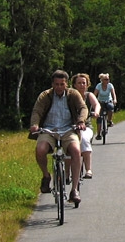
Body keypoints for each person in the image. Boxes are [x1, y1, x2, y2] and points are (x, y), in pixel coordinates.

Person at [29, 69, 87, 207]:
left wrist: (80, 121)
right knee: (40, 149)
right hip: (49, 130)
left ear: (67, 84)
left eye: (62, 84)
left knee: (75, 151)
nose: (59, 87)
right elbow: (37, 111)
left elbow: (83, 108)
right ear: (52, 84)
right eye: (57, 84)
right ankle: (46, 176)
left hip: (68, 129)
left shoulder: (73, 94)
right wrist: (35, 125)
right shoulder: (45, 95)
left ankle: (74, 190)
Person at [72, 73, 99, 179]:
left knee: (84, 140)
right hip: (71, 126)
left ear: (87, 84)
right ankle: (66, 174)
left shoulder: (89, 95)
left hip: (85, 127)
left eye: (84, 83)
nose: (82, 85)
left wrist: (96, 112)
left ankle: (88, 169)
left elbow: (96, 104)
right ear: (74, 85)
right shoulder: (70, 95)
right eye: (79, 83)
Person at [94, 73, 117, 137]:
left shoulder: (110, 85)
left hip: (108, 101)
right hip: (100, 102)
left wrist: (114, 99)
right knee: (99, 118)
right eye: (106, 79)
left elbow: (113, 93)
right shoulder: (98, 86)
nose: (107, 81)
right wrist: (94, 102)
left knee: (111, 107)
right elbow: (95, 94)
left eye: (108, 79)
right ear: (102, 80)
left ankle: (109, 121)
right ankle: (98, 134)